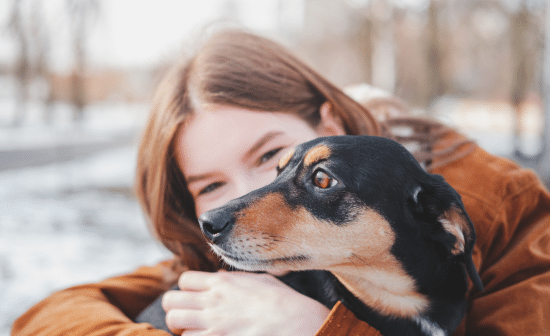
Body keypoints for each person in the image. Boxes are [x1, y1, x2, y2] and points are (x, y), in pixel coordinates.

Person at [12, 29, 550, 336]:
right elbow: (46, 318)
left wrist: (315, 329)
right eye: (210, 185)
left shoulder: (499, 204)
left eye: (272, 156)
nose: (245, 201)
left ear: (329, 125)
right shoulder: (241, 253)